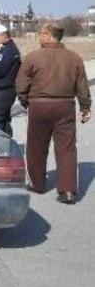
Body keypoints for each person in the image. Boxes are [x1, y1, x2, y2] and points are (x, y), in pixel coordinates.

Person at [16, 22, 91, 204]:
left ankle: (37, 184)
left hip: (39, 106)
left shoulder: (33, 58)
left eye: (41, 33)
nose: (39, 36)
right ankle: (67, 191)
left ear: (49, 35)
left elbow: (20, 85)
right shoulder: (74, 58)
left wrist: (26, 102)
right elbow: (82, 86)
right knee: (66, 149)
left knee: (36, 147)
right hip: (65, 106)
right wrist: (85, 107)